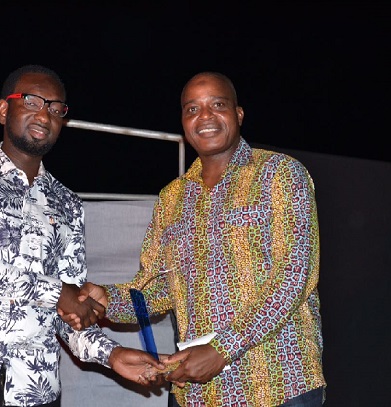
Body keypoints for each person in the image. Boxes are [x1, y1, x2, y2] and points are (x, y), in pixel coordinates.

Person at [63, 72, 326, 406]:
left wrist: (223, 349)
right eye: (192, 109)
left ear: (238, 114)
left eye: (217, 105)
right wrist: (107, 300)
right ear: (183, 122)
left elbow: (294, 277)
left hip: (277, 383)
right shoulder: (172, 198)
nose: (205, 117)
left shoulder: (280, 174)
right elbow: (157, 290)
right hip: (200, 394)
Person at [0, 64, 163, 407]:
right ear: (4, 110)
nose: (45, 115)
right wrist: (57, 292)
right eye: (32, 101)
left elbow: (69, 311)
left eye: (56, 108)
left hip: (35, 391)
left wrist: (112, 354)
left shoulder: (67, 204)